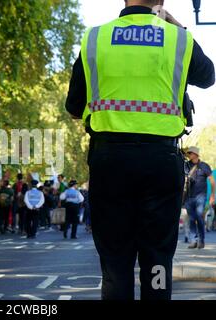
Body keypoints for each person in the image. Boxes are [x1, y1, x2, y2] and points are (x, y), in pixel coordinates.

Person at [66, 0, 215, 300]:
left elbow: (73, 106)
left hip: (110, 162)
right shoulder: (178, 39)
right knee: (157, 257)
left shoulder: (95, 38)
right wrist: (176, 24)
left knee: (115, 261)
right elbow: (207, 76)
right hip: (160, 163)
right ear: (161, 2)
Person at [184, 147, 215, 249]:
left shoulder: (204, 166)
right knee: (192, 219)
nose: (189, 154)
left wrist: (212, 195)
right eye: (188, 153)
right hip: (189, 197)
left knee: (199, 217)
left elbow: (212, 181)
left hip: (201, 196)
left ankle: (201, 240)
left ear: (196, 154)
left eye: (190, 153)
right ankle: (194, 241)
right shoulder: (187, 165)